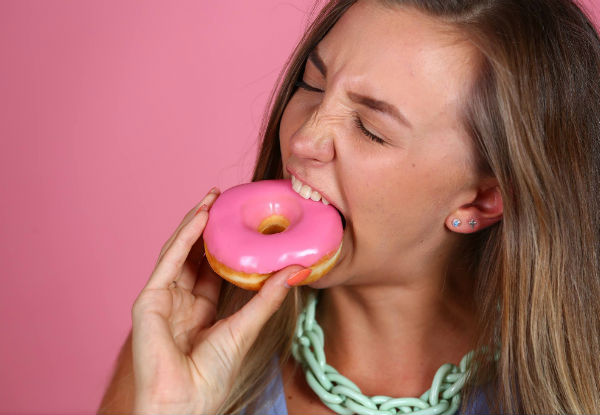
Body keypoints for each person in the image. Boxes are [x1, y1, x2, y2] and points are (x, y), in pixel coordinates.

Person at [98, 0, 600, 413]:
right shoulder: (186, 348)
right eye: (312, 85)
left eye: (371, 130)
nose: (303, 139)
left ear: (483, 199)